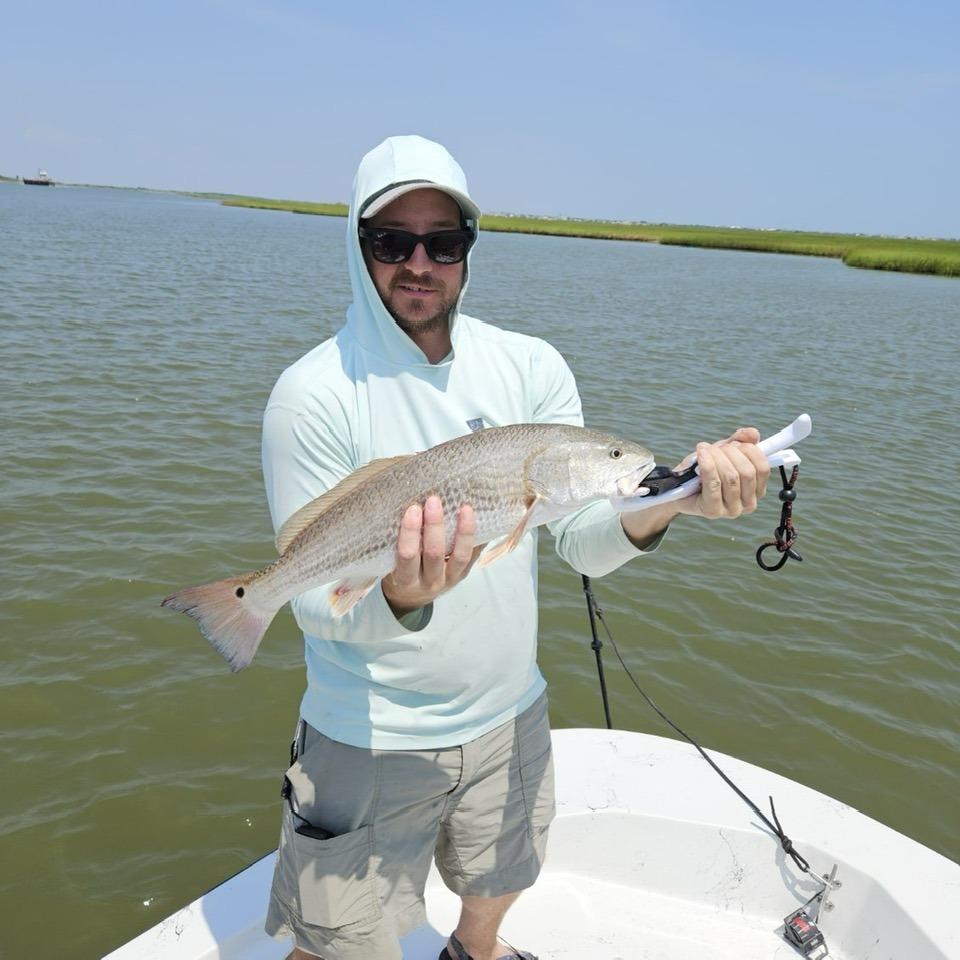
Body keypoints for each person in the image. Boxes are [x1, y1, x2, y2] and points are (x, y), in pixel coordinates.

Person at [261, 135, 770, 960]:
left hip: (510, 709)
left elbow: (580, 542)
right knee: (336, 943)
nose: (419, 263)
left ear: (468, 250)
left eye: (444, 242)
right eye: (392, 241)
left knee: (501, 879)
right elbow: (318, 607)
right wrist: (402, 594)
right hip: (369, 732)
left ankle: (476, 951)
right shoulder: (312, 396)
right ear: (358, 247)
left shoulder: (531, 367)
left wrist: (666, 505)